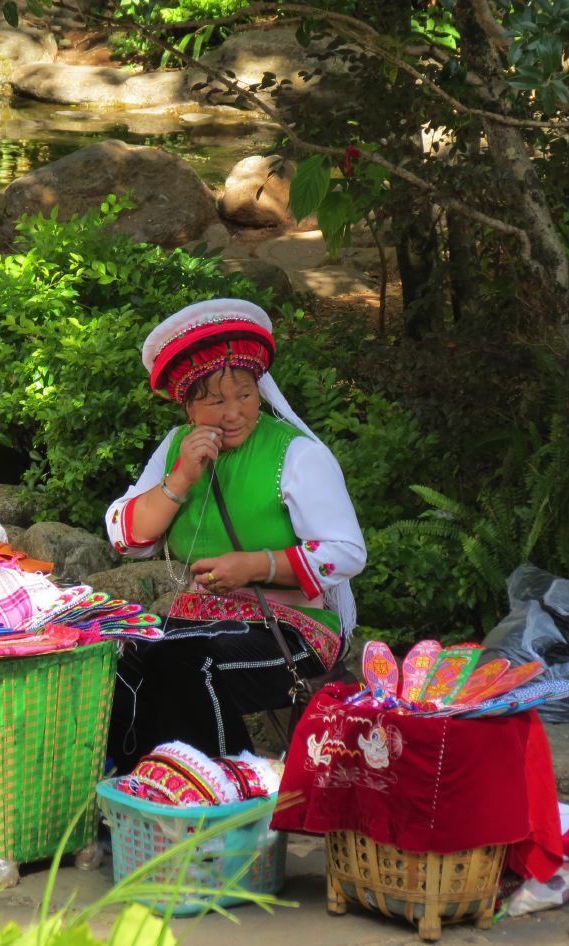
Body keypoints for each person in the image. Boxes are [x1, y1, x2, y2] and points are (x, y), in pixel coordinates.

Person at [104, 298, 366, 771]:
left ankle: (220, 798)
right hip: (197, 621)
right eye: (214, 401)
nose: (232, 413)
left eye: (244, 395)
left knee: (187, 662)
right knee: (125, 657)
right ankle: (135, 794)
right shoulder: (176, 449)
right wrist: (182, 476)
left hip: (290, 629)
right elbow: (128, 539)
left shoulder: (297, 454)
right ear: (186, 404)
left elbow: (346, 553)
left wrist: (255, 566)